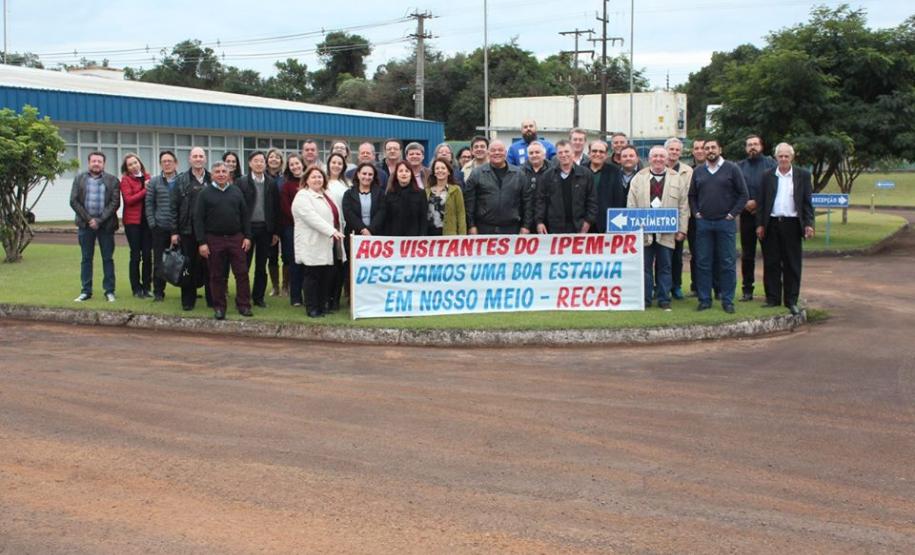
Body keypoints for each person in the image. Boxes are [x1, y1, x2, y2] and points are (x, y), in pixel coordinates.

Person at [688, 139, 748, 313]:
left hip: (725, 223)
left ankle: (727, 300)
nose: (710, 150)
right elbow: (692, 196)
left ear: (720, 149)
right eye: (707, 148)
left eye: (713, 147)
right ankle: (704, 300)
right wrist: (696, 213)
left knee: (727, 262)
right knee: (703, 262)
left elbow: (743, 195)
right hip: (704, 223)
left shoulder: (732, 168)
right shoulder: (698, 171)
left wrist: (732, 214)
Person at [628, 146, 690, 310]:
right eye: (655, 156)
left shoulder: (677, 178)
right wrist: (633, 229)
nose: (658, 159)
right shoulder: (639, 178)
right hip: (644, 231)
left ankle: (664, 298)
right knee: (645, 267)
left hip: (667, 232)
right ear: (649, 159)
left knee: (665, 266)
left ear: (667, 159)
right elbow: (631, 204)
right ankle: (646, 298)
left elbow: (683, 206)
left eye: (662, 156)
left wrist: (682, 229)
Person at [756, 142, 815, 316]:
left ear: (792, 157)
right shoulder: (767, 175)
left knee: (792, 264)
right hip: (772, 223)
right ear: (776, 157)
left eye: (786, 156)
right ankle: (773, 298)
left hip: (792, 223)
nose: (783, 159)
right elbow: (761, 203)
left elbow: (807, 203)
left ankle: (791, 300)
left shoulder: (803, 175)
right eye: (780, 156)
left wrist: (809, 224)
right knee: (771, 263)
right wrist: (760, 224)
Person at [194, 161, 253, 320]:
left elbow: (245, 216)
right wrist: (202, 242)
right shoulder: (204, 193)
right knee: (216, 275)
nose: (221, 174)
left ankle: (244, 305)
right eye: (217, 172)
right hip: (214, 239)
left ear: (228, 174)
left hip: (236, 238)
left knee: (242, 273)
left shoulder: (236, 191)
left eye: (223, 171)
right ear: (212, 175)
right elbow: (198, 219)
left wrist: (248, 236)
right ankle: (219, 307)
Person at [292, 166, 346, 318]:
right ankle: (312, 308)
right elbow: (312, 218)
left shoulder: (326, 194)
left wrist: (337, 231)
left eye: (320, 177)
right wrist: (332, 231)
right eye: (314, 177)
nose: (317, 179)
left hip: (329, 242)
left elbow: (336, 215)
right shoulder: (303, 196)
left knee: (325, 275)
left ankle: (322, 306)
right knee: (312, 276)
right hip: (312, 242)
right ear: (306, 180)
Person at [70, 151, 120, 302]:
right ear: (89, 163)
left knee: (107, 258)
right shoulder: (79, 179)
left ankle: (109, 291)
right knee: (86, 259)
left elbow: (115, 203)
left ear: (104, 164)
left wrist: (99, 220)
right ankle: (86, 291)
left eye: (99, 161)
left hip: (106, 226)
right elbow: (73, 201)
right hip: (85, 226)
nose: (96, 164)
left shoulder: (112, 180)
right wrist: (89, 219)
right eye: (94, 161)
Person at [234, 151, 280, 308]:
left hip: (265, 230)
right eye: (256, 161)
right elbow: (237, 208)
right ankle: (243, 297)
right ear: (250, 163)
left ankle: (258, 297)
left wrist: (275, 232)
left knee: (261, 266)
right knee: (244, 265)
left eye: (262, 161)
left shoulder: (271, 183)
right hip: (247, 230)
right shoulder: (241, 182)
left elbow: (275, 208)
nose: (259, 163)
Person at [171, 147, 213, 311]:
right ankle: (188, 301)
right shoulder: (180, 180)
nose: (198, 159)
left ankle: (212, 300)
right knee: (187, 267)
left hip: (209, 231)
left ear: (205, 159)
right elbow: (173, 207)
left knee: (210, 267)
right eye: (195, 156)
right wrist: (174, 232)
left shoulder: (213, 178)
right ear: (190, 159)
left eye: (201, 156)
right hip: (187, 230)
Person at [737, 134, 777, 301]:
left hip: (765, 216)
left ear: (761, 146)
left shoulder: (771, 164)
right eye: (749, 145)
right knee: (747, 255)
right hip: (746, 215)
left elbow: (774, 189)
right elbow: (735, 188)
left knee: (770, 255)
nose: (752, 147)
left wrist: (758, 203)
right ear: (746, 148)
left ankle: (771, 291)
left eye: (755, 144)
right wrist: (745, 203)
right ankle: (747, 290)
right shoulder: (739, 166)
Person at [464, 140, 532, 235]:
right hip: (484, 229)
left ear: (506, 153)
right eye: (493, 150)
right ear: (488, 153)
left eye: (500, 150)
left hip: (512, 229)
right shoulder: (477, 173)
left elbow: (527, 202)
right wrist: (471, 225)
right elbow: (469, 202)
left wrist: (526, 226)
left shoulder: (519, 174)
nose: (497, 153)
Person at [535, 140, 597, 234]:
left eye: (567, 151)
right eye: (560, 152)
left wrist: (588, 222)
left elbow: (592, 200)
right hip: (555, 228)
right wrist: (539, 222)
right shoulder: (547, 176)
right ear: (556, 155)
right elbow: (540, 201)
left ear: (573, 153)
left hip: (579, 226)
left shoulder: (586, 174)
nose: (564, 155)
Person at [145, 150, 179, 302]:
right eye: (164, 161)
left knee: (184, 260)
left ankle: (187, 291)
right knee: (159, 261)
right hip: (160, 227)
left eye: (169, 161)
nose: (167, 164)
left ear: (175, 163)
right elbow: (149, 204)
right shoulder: (154, 182)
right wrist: (153, 224)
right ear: (160, 164)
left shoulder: (182, 180)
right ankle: (158, 292)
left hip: (179, 228)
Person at [119, 153, 152, 298]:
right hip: (133, 223)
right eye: (130, 164)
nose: (134, 166)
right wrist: (145, 190)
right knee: (135, 255)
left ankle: (147, 287)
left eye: (135, 162)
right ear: (126, 168)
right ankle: (136, 288)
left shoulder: (148, 177)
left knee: (147, 255)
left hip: (147, 222)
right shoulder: (125, 180)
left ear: (140, 163)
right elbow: (129, 200)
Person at [665, 138, 693, 300]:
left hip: (678, 217)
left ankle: (676, 286)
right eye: (671, 149)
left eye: (677, 150)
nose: (674, 152)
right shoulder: (656, 167)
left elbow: (687, 200)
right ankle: (660, 286)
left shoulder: (688, 171)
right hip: (658, 219)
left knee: (676, 256)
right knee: (660, 256)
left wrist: (683, 226)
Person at [324, 152, 351, 312]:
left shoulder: (347, 184)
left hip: (342, 229)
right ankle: (326, 298)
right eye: (333, 162)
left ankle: (336, 299)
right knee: (328, 266)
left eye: (339, 163)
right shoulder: (322, 181)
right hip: (325, 229)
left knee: (340, 266)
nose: (336, 165)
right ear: (328, 164)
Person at [278, 154, 306, 306]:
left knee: (309, 262)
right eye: (292, 165)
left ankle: (309, 294)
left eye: (297, 163)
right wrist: (301, 221)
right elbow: (285, 208)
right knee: (295, 262)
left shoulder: (310, 182)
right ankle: (296, 297)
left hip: (310, 229)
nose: (295, 167)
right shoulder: (286, 186)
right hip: (292, 228)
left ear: (302, 164)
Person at [588, 140, 626, 233]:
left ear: (606, 155)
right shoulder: (580, 170)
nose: (597, 154)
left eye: (601, 152)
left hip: (605, 225)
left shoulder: (614, 172)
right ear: (589, 153)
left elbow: (618, 200)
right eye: (594, 151)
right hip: (583, 225)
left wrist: (613, 225)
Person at [383, 161, 428, 236]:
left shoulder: (420, 193)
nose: (404, 174)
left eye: (407, 171)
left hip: (414, 238)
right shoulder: (390, 193)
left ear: (411, 174)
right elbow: (387, 219)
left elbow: (423, 218)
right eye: (400, 171)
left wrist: (422, 236)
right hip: (394, 237)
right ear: (396, 175)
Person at [426, 159, 467, 236]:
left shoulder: (455, 190)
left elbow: (461, 214)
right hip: (429, 234)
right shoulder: (427, 191)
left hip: (449, 234)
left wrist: (462, 236)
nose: (440, 170)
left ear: (448, 172)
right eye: (437, 168)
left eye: (443, 168)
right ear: (434, 172)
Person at [266, 148, 285, 297]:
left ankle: (286, 286)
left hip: (285, 221)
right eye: (271, 157)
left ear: (281, 161)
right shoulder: (262, 177)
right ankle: (275, 286)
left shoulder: (284, 179)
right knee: (272, 256)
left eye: (277, 157)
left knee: (287, 256)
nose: (274, 159)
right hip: (270, 223)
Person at [520, 141, 550, 231]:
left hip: (547, 221)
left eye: (537, 152)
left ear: (544, 155)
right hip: (525, 221)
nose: (534, 155)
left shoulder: (553, 171)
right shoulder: (520, 172)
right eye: (531, 153)